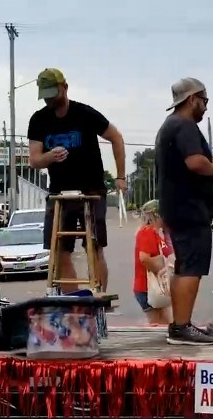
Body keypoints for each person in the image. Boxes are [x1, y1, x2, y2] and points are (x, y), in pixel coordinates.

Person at [27, 68, 127, 292]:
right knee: (59, 250)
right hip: (59, 192)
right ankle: (74, 303)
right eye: (46, 95)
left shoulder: (85, 114)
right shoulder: (39, 120)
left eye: (53, 93)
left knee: (94, 246)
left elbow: (116, 137)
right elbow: (34, 160)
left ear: (64, 87)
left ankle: (97, 297)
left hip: (91, 189)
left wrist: (120, 176)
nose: (50, 99)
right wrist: (49, 156)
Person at [155, 78, 213, 346]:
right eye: (204, 101)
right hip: (189, 209)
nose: (206, 107)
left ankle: (179, 325)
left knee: (184, 266)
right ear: (192, 98)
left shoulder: (170, 126)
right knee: (191, 268)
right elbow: (195, 163)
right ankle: (182, 327)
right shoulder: (184, 126)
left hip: (177, 207)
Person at [133, 200, 173, 326]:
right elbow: (144, 258)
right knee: (159, 327)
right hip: (148, 288)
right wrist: (160, 269)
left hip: (152, 287)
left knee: (164, 324)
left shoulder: (157, 233)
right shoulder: (147, 232)